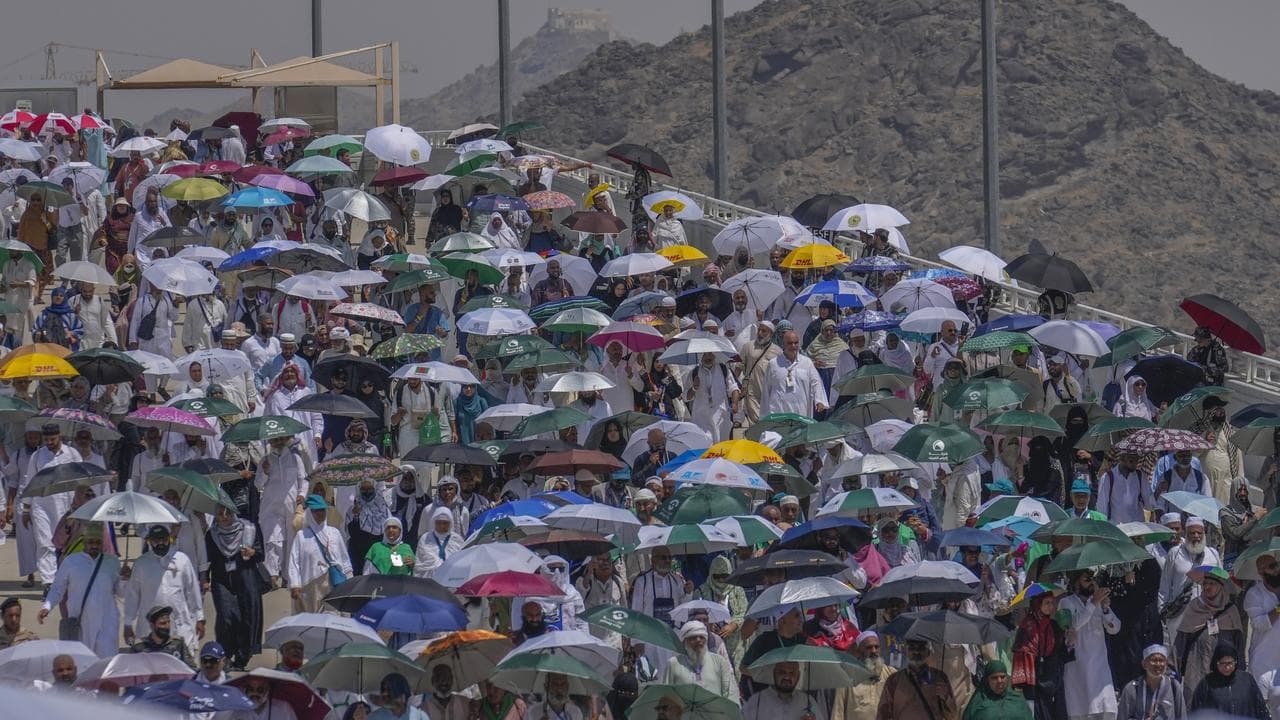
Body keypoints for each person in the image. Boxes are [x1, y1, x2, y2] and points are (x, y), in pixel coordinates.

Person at [38, 523, 119, 656]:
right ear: (84, 541)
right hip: (81, 621)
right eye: (91, 541)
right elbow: (58, 588)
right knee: (84, 663)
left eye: (98, 542)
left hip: (107, 621)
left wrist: (125, 578)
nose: (94, 545)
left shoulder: (112, 562)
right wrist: (47, 606)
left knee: (107, 663)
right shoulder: (71, 561)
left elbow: (120, 591)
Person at [124, 525, 205, 657]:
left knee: (183, 667)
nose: (161, 544)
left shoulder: (182, 560)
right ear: (149, 542)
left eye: (164, 540)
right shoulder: (141, 564)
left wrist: (200, 618)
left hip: (179, 625)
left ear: (170, 539)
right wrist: (128, 624)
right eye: (156, 541)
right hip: (149, 628)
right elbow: (133, 595)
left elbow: (192, 591)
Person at [205, 505, 266, 671]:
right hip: (221, 580)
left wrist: (252, 552)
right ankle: (225, 655)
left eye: (227, 513)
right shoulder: (212, 535)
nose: (224, 517)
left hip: (246, 579)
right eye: (219, 514)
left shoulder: (249, 529)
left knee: (246, 618)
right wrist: (204, 578)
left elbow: (261, 554)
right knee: (226, 616)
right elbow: (208, 560)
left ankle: (242, 657)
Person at [1060, 569, 1121, 720]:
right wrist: (1094, 603)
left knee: (1106, 709)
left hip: (1099, 666)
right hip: (1078, 666)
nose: (1092, 584)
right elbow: (1073, 625)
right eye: (1087, 580)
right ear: (1076, 583)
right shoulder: (1066, 602)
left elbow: (1115, 628)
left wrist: (1106, 608)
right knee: (1081, 710)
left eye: (1093, 580)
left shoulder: (1098, 603)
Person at [1174, 567, 1243, 697]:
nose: (1207, 587)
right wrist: (1173, 671)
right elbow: (1180, 642)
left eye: (1212, 584)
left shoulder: (1231, 611)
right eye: (1205, 583)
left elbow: (1238, 645)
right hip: (1196, 666)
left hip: (1224, 669)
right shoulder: (1194, 607)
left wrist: (1240, 673)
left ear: (1221, 587)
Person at [286, 494, 352, 613]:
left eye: (322, 510)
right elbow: (294, 562)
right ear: (310, 513)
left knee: (332, 616)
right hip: (309, 585)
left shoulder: (334, 533)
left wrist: (349, 580)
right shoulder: (301, 536)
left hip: (332, 582)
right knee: (309, 619)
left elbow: (344, 558)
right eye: (316, 511)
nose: (320, 513)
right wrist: (295, 585)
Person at [1013, 591, 1068, 720]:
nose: (1050, 607)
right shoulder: (1027, 625)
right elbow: (1021, 650)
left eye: (1052, 603)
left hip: (1050, 676)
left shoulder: (1053, 625)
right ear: (1038, 604)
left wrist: (1068, 638)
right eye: (1047, 603)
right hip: (1033, 674)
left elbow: (1060, 650)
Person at [877, 639, 958, 720]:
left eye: (921, 648)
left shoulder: (939, 678)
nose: (916, 652)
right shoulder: (894, 680)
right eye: (912, 647)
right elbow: (883, 714)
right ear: (905, 651)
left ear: (929, 652)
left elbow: (952, 715)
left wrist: (945, 698)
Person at [661, 621, 740, 704]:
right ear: (684, 641)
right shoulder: (674, 663)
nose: (698, 640)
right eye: (693, 638)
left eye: (701, 637)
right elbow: (666, 694)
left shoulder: (719, 662)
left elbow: (731, 693)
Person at [1188, 642, 1269, 719]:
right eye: (1222, 663)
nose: (1227, 668)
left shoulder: (1247, 680)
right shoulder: (1207, 683)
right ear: (1216, 663)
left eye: (1230, 663)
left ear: (1235, 662)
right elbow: (1196, 712)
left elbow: (1260, 709)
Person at [761, 331, 827, 417]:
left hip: (801, 412)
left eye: (796, 343)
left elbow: (816, 382)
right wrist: (764, 414)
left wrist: (819, 400)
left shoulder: (807, 363)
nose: (793, 346)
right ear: (783, 344)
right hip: (778, 413)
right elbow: (766, 389)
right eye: (790, 343)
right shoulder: (773, 364)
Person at [1115, 645, 1186, 720]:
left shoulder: (1174, 686)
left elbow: (1182, 716)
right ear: (1144, 664)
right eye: (1154, 660)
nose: (1158, 664)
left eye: (1161, 660)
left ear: (1166, 664)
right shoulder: (1132, 688)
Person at [685, 352, 740, 443]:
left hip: (721, 417)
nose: (708, 357)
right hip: (701, 419)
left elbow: (734, 389)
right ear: (700, 356)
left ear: (715, 355)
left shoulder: (723, 370)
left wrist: (734, 403)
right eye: (705, 355)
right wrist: (694, 388)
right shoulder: (694, 373)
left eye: (710, 354)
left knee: (722, 448)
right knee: (704, 448)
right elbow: (686, 397)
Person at [742, 661, 825, 720]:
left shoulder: (808, 702)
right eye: (782, 672)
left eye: (791, 673)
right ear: (774, 673)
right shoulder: (758, 701)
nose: (787, 677)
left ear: (798, 676)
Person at [962, 660, 1031, 720]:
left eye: (1002, 677)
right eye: (994, 678)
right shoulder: (978, 703)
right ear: (987, 680)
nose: (999, 681)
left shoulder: (1017, 700)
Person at [128, 605, 195, 666]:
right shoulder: (139, 647)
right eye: (162, 623)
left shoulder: (178, 643)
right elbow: (131, 670)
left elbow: (191, 668)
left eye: (168, 622)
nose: (167, 626)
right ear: (152, 626)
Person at [414, 507, 462, 579]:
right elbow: (422, 562)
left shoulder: (456, 539)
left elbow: (461, 560)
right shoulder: (426, 538)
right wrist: (438, 565)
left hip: (451, 578)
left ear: (450, 523)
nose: (442, 526)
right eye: (439, 522)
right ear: (434, 522)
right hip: (429, 579)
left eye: (445, 523)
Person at [232, 672, 301, 720]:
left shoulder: (283, 708)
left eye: (260, 690)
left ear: (268, 690)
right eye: (250, 689)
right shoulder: (237, 710)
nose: (254, 693)